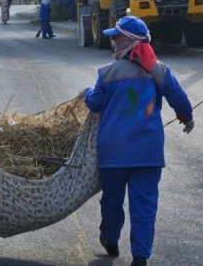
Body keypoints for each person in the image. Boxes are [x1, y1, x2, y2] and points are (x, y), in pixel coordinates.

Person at [83, 16, 194, 266]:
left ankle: (110, 239)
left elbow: (94, 103)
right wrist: (187, 118)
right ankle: (140, 256)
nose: (113, 42)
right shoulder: (159, 70)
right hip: (148, 153)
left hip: (113, 153)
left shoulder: (107, 73)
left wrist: (86, 92)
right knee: (144, 204)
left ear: (127, 42)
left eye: (116, 37)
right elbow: (180, 99)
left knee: (112, 200)